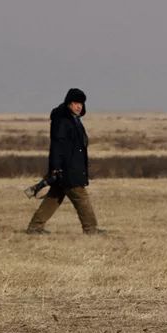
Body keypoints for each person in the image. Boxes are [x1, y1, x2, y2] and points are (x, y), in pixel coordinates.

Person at [26, 88, 104, 235]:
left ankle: (35, 227)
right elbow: (57, 145)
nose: (79, 106)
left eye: (81, 103)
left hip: (69, 166)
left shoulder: (74, 120)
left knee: (54, 197)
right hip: (67, 168)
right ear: (69, 103)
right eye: (76, 103)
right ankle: (90, 228)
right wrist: (56, 167)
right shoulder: (63, 121)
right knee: (81, 197)